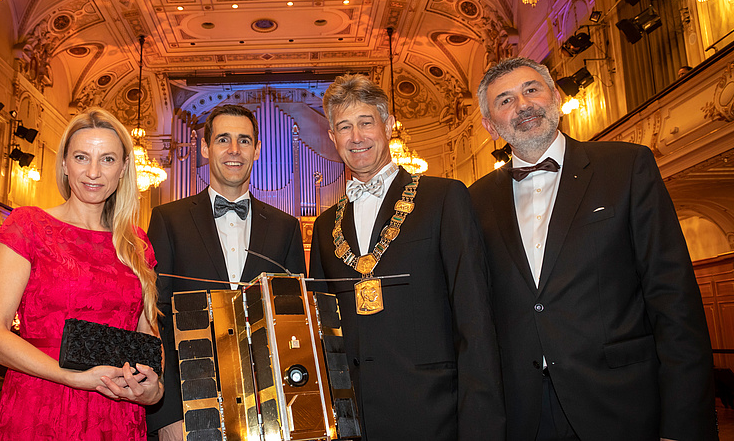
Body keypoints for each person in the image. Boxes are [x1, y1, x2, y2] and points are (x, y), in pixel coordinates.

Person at [469, 57, 717, 441]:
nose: (522, 105)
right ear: (490, 125)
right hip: (525, 414)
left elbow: (673, 297)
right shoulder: (474, 201)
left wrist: (683, 423)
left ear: (555, 95)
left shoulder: (626, 166)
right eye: (505, 100)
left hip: (623, 403)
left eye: (531, 89)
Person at [307, 74, 505, 440]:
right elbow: (326, 337)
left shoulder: (444, 198)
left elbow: (474, 318)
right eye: (344, 127)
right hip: (355, 422)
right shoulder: (324, 227)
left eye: (366, 122)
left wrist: (482, 425)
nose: (356, 137)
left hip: (435, 414)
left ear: (388, 125)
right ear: (333, 138)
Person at [0, 108, 163, 440]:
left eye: (107, 159)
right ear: (64, 164)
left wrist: (152, 389)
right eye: (81, 157)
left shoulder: (138, 243)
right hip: (42, 402)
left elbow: (147, 339)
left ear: (123, 169)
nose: (93, 172)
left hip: (117, 411)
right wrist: (72, 377)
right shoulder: (28, 225)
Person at [146, 104, 306, 440]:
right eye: (223, 140)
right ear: (205, 149)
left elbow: (294, 323)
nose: (234, 150)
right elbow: (155, 319)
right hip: (190, 405)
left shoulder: (286, 227)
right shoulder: (168, 220)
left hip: (269, 409)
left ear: (257, 150)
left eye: (244, 141)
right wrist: (167, 415)